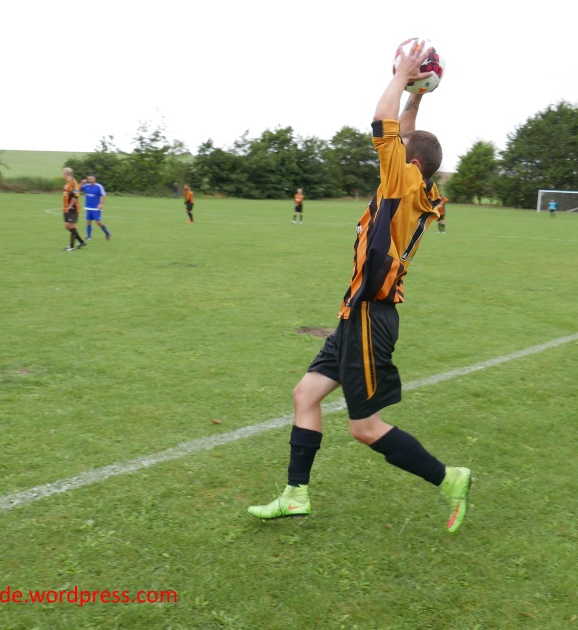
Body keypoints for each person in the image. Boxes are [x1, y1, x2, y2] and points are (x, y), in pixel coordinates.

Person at [246, 43, 471, 534]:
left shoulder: (401, 182)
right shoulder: (419, 188)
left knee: (364, 428)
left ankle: (449, 478)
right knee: (305, 393)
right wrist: (417, 95)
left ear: (409, 162)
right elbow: (405, 134)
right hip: (356, 314)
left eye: (400, 152)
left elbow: (381, 122)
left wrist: (401, 77)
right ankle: (295, 496)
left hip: (372, 316)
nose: (393, 152)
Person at [61, 167, 87, 251]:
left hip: (72, 208)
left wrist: (70, 206)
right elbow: (74, 191)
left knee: (71, 226)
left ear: (66, 173)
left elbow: (75, 195)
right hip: (66, 208)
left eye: (63, 173)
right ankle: (81, 241)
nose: (62, 174)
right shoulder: (68, 183)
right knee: (67, 226)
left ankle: (71, 246)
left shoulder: (73, 182)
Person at [81, 175, 111, 241]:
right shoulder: (86, 186)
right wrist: (82, 183)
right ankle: (89, 237)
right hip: (88, 208)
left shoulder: (99, 186)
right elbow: (78, 189)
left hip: (96, 208)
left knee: (98, 222)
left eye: (91, 179)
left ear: (94, 179)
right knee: (88, 222)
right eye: (89, 179)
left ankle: (107, 233)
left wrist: (101, 204)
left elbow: (103, 195)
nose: (90, 180)